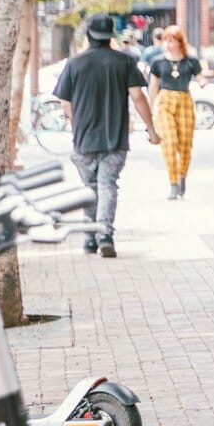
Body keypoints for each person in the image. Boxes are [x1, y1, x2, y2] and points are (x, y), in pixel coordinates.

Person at [53, 13, 160, 257]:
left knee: (89, 187)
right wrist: (151, 129)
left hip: (84, 139)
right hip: (115, 137)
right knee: (108, 185)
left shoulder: (74, 64)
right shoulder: (125, 62)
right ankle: (105, 235)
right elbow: (138, 97)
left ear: (89, 35)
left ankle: (90, 238)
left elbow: (65, 102)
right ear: (111, 35)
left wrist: (75, 122)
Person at [148, 26, 205, 200]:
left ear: (180, 42)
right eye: (167, 40)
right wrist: (150, 112)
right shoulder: (158, 61)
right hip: (165, 100)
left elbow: (200, 75)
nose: (169, 44)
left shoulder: (190, 61)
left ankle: (182, 177)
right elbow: (153, 86)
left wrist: (203, 81)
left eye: (172, 40)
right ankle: (173, 183)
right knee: (169, 142)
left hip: (184, 100)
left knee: (185, 145)